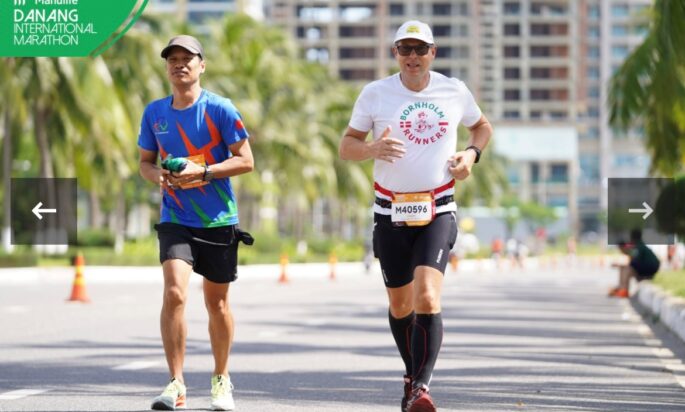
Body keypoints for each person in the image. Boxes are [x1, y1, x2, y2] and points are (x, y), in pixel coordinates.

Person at [339, 21, 493, 412]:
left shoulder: (454, 90)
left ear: (433, 53)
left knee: (427, 295)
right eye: (404, 49)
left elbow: (481, 127)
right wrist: (373, 148)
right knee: (401, 306)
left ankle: (421, 386)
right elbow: (346, 147)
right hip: (389, 210)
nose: (412, 57)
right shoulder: (375, 94)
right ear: (395, 54)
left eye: (419, 49)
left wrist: (471, 156)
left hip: (438, 207)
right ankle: (412, 379)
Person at [138, 35, 254, 411]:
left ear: (202, 65)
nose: (179, 64)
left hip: (218, 219)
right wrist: (157, 175)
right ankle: (175, 383)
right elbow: (144, 162)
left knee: (217, 305)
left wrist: (202, 172)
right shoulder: (155, 113)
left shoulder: (220, 109)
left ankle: (221, 378)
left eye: (187, 58)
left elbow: (246, 160)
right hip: (176, 217)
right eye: (172, 59)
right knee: (174, 292)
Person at [609, 229, 660, 298]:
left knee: (627, 269)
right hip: (651, 268)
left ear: (632, 238)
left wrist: (619, 264)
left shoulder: (638, 247)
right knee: (625, 267)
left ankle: (624, 290)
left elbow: (633, 262)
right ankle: (621, 288)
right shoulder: (640, 246)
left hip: (649, 269)